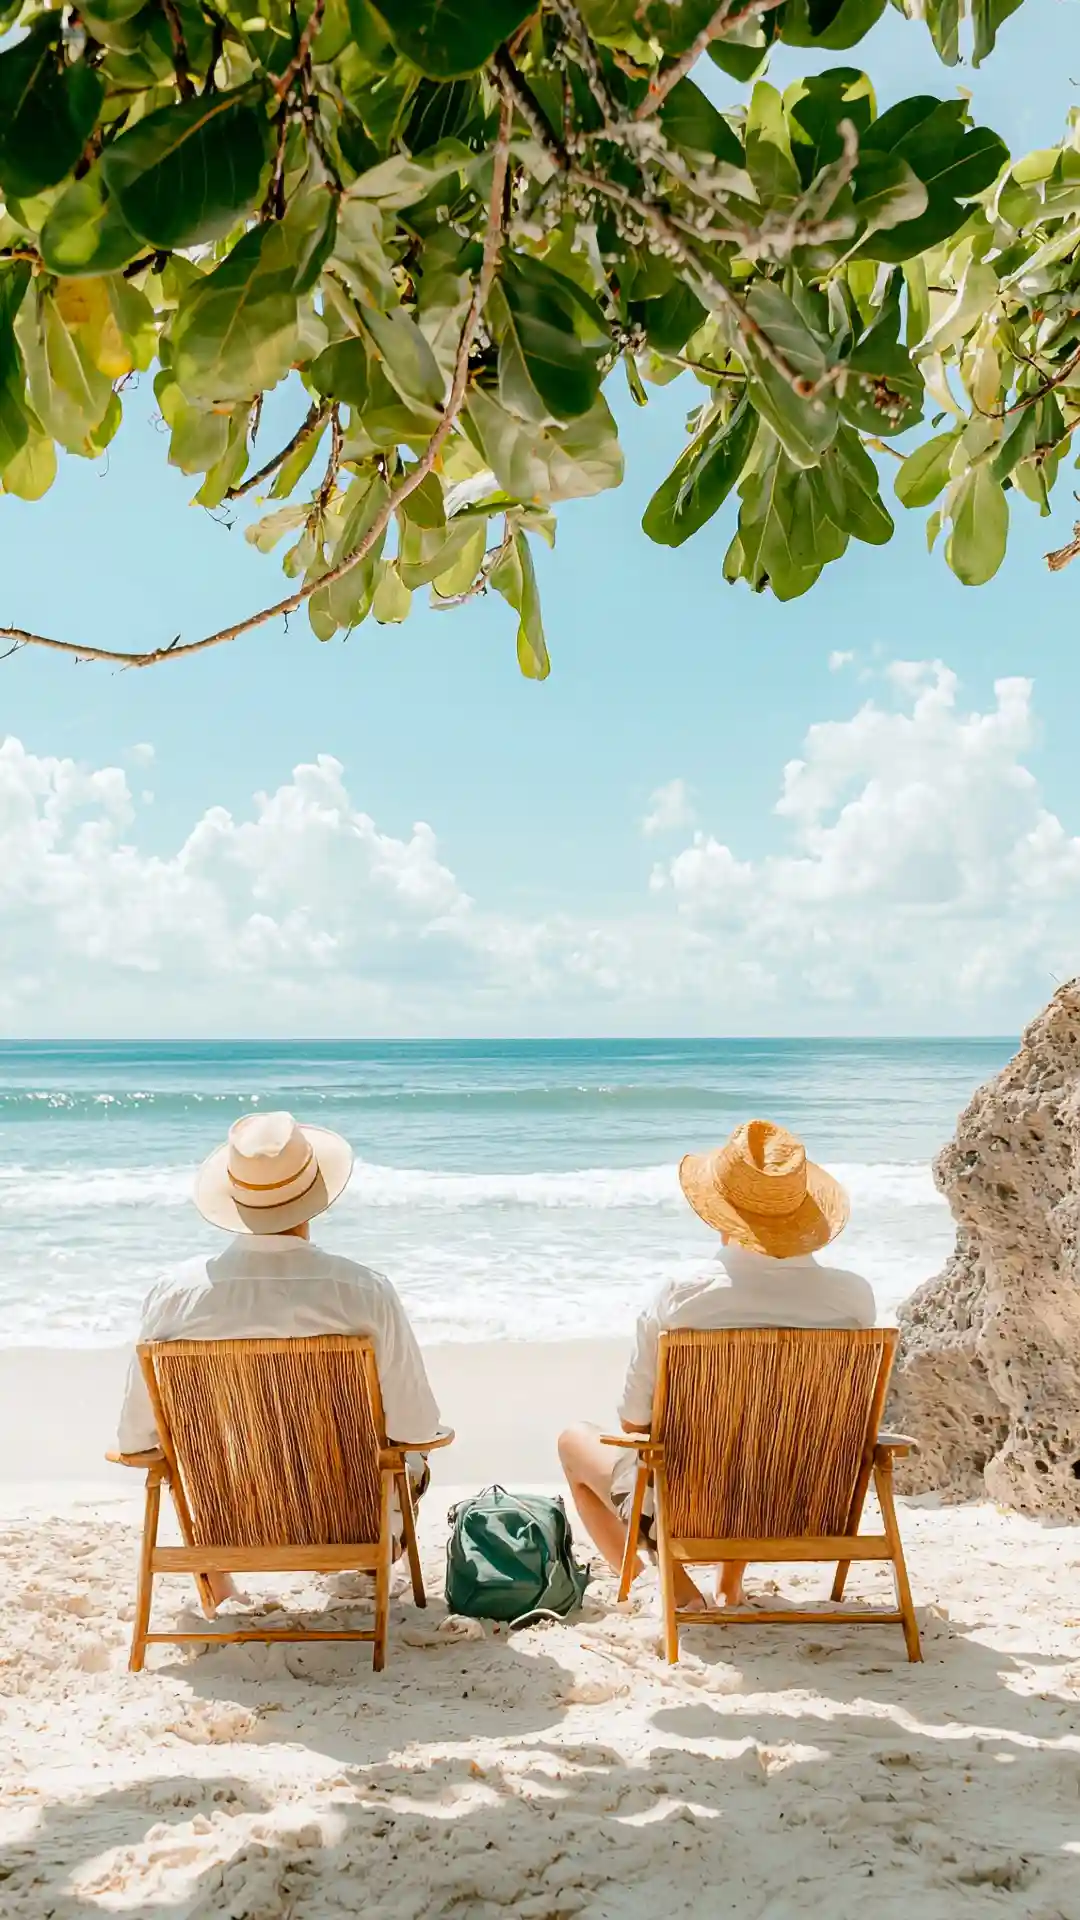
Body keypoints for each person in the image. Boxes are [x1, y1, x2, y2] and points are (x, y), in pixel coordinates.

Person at [117, 1109, 442, 1609]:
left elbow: (136, 1440)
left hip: (224, 1517)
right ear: (315, 1196)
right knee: (412, 1460)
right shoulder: (362, 1291)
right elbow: (417, 1428)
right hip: (347, 1514)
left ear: (234, 1199)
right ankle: (366, 1565)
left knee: (189, 1460)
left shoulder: (174, 1296)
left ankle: (220, 1586)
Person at [558, 1119, 875, 1612]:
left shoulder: (684, 1296)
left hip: (697, 1506)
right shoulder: (853, 1298)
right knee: (765, 1436)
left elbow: (634, 1422)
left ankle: (670, 1583)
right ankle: (729, 1585)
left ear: (721, 1213)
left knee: (574, 1441)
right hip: (804, 1503)